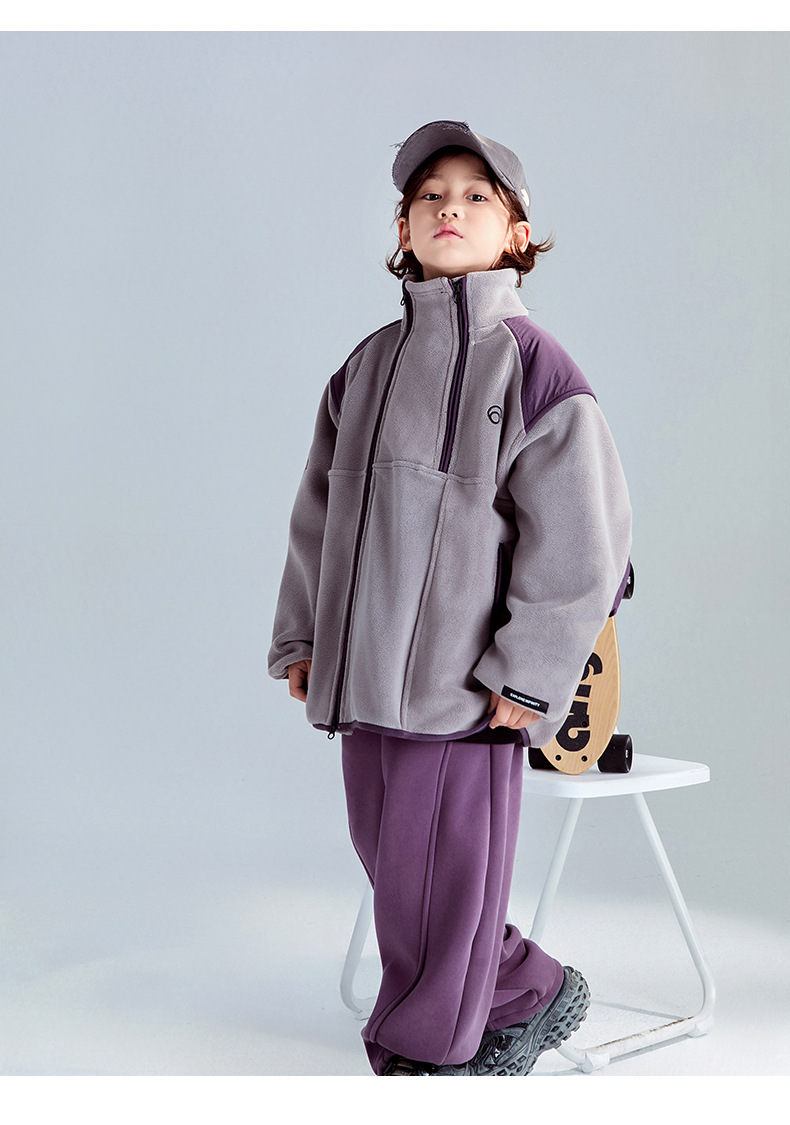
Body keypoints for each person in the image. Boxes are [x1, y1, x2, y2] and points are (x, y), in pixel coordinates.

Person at [268, 121, 632, 1076]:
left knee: (441, 869)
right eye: (430, 196)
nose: (450, 209)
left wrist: (529, 673)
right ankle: (527, 985)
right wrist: (304, 636)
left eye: (477, 196)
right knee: (396, 861)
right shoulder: (366, 367)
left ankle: (429, 1051)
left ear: (517, 233)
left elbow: (586, 544)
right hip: (363, 675)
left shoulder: (535, 367)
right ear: (403, 228)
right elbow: (317, 517)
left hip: (466, 688)